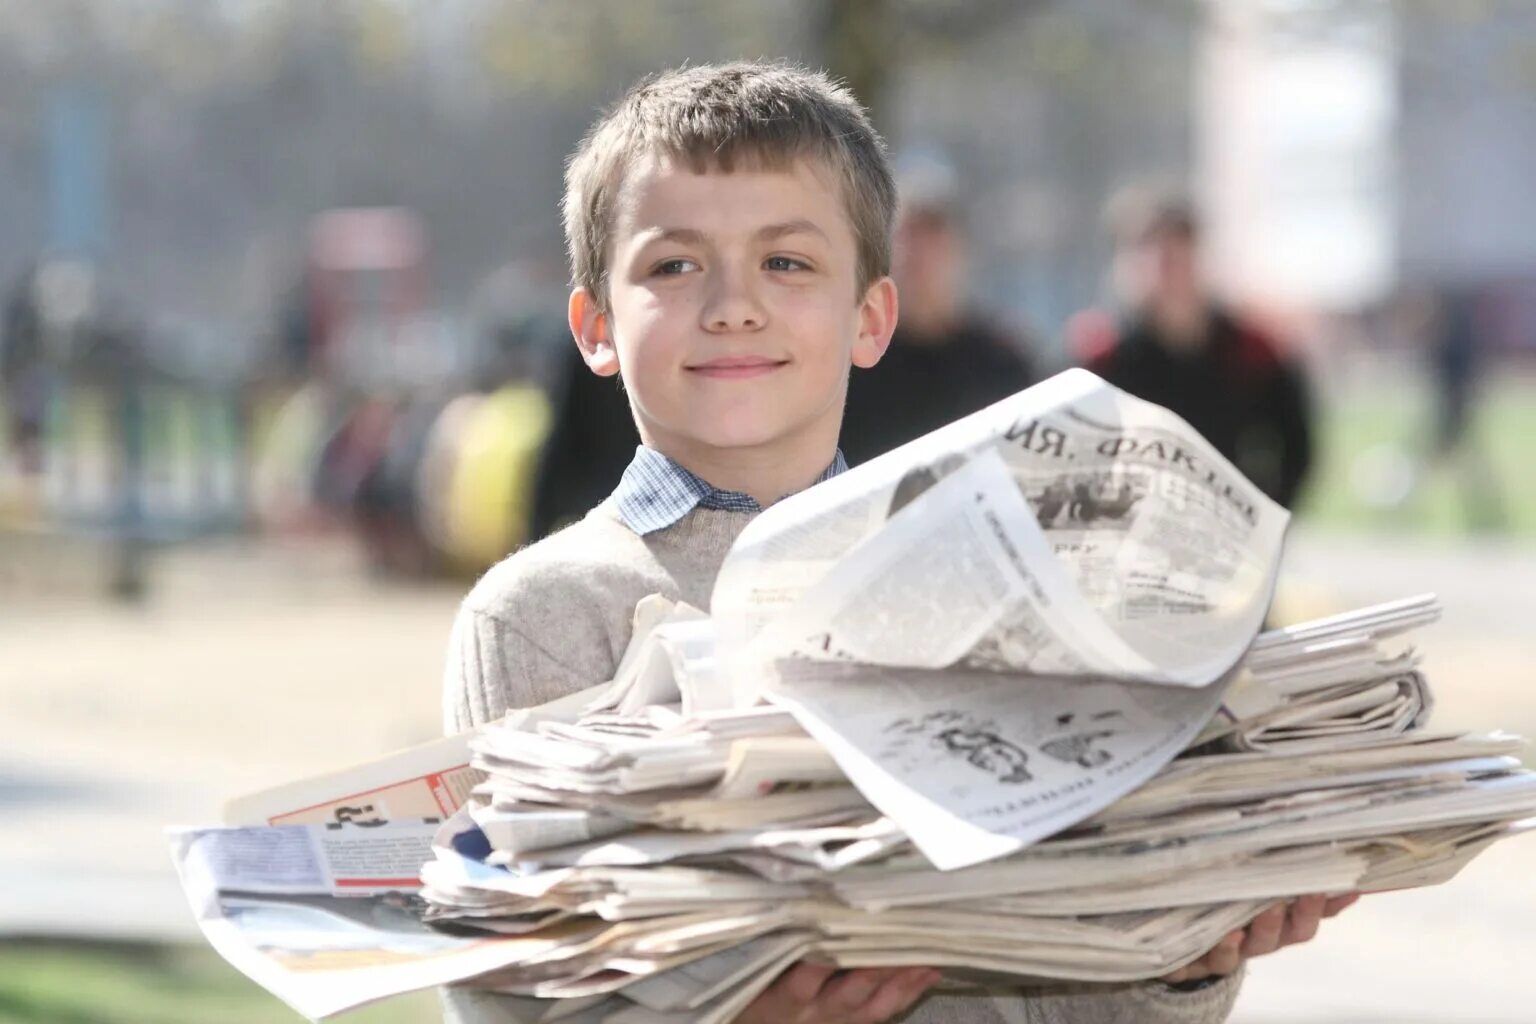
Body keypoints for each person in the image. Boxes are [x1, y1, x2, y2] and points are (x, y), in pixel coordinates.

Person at [442, 62, 1349, 1024]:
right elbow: (506, 998)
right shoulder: (537, 617)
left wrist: (1181, 963)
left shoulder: (996, 592)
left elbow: (1066, 993)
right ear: (596, 327)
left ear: (872, 317)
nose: (733, 304)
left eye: (787, 262)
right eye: (673, 265)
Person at [1071, 189, 1315, 509]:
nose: (1165, 269)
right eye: (1149, 253)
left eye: (1176, 254)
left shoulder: (1249, 351)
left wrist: (1264, 513)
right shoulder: (1100, 355)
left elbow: (1296, 447)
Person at [839, 173, 1036, 466]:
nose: (921, 255)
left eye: (934, 238)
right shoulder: (854, 359)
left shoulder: (1001, 362)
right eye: (909, 237)